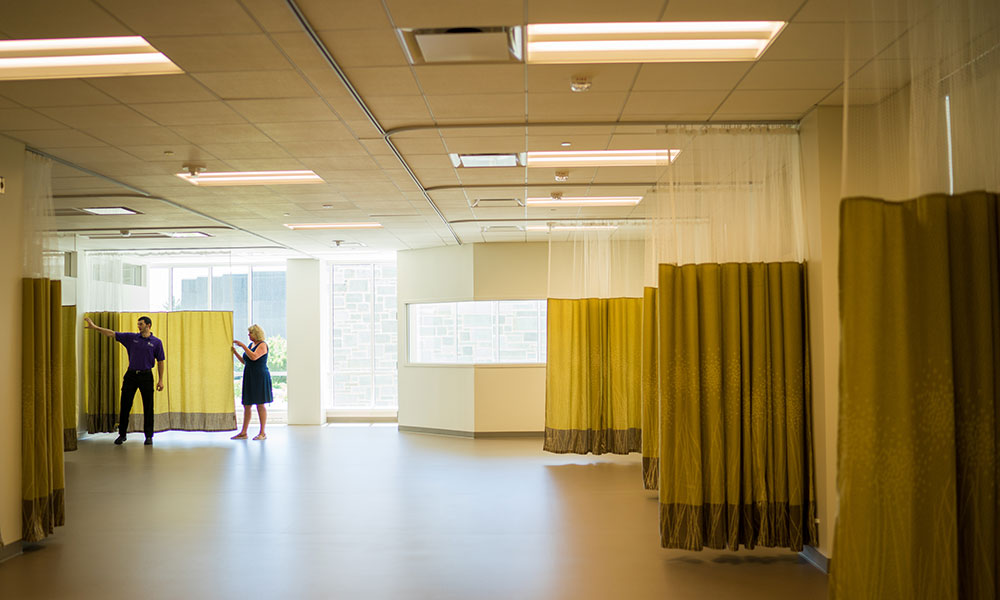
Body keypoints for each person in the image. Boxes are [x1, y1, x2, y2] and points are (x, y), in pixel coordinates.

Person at [84, 315, 165, 446]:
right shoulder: (131, 338)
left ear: (148, 325)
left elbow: (160, 361)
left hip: (146, 376)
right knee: (125, 405)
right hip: (131, 375)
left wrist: (160, 380)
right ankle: (122, 435)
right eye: (138, 324)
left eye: (141, 324)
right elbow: (111, 333)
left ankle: (149, 436)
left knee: (148, 407)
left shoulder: (156, 342)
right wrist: (95, 327)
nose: (138, 326)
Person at [231, 324, 272, 440]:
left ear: (256, 334)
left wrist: (242, 346)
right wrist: (235, 352)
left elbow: (254, 357)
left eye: (251, 333)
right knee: (247, 405)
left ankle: (262, 432)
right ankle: (243, 432)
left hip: (259, 377)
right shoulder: (251, 345)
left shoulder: (262, 345)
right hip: (249, 376)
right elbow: (246, 361)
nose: (249, 335)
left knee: (260, 404)